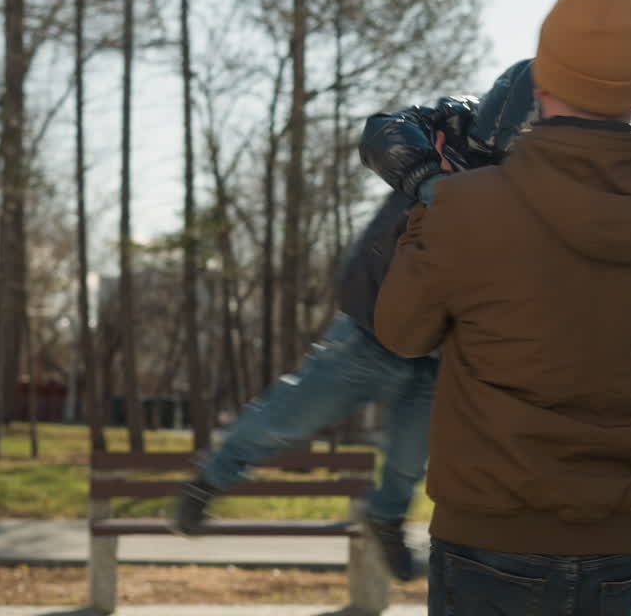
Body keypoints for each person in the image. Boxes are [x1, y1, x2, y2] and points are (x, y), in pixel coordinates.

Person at [370, 0, 631, 615]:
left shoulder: (470, 208)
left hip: (489, 533)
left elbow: (400, 329)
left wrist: (429, 189)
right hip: (619, 543)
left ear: (541, 80)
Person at [168, 61, 538, 582]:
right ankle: (210, 478)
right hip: (375, 323)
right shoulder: (449, 123)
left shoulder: (532, 180)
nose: (491, 155)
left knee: (412, 456)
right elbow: (381, 131)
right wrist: (426, 178)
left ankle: (385, 517)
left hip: (445, 345)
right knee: (291, 416)